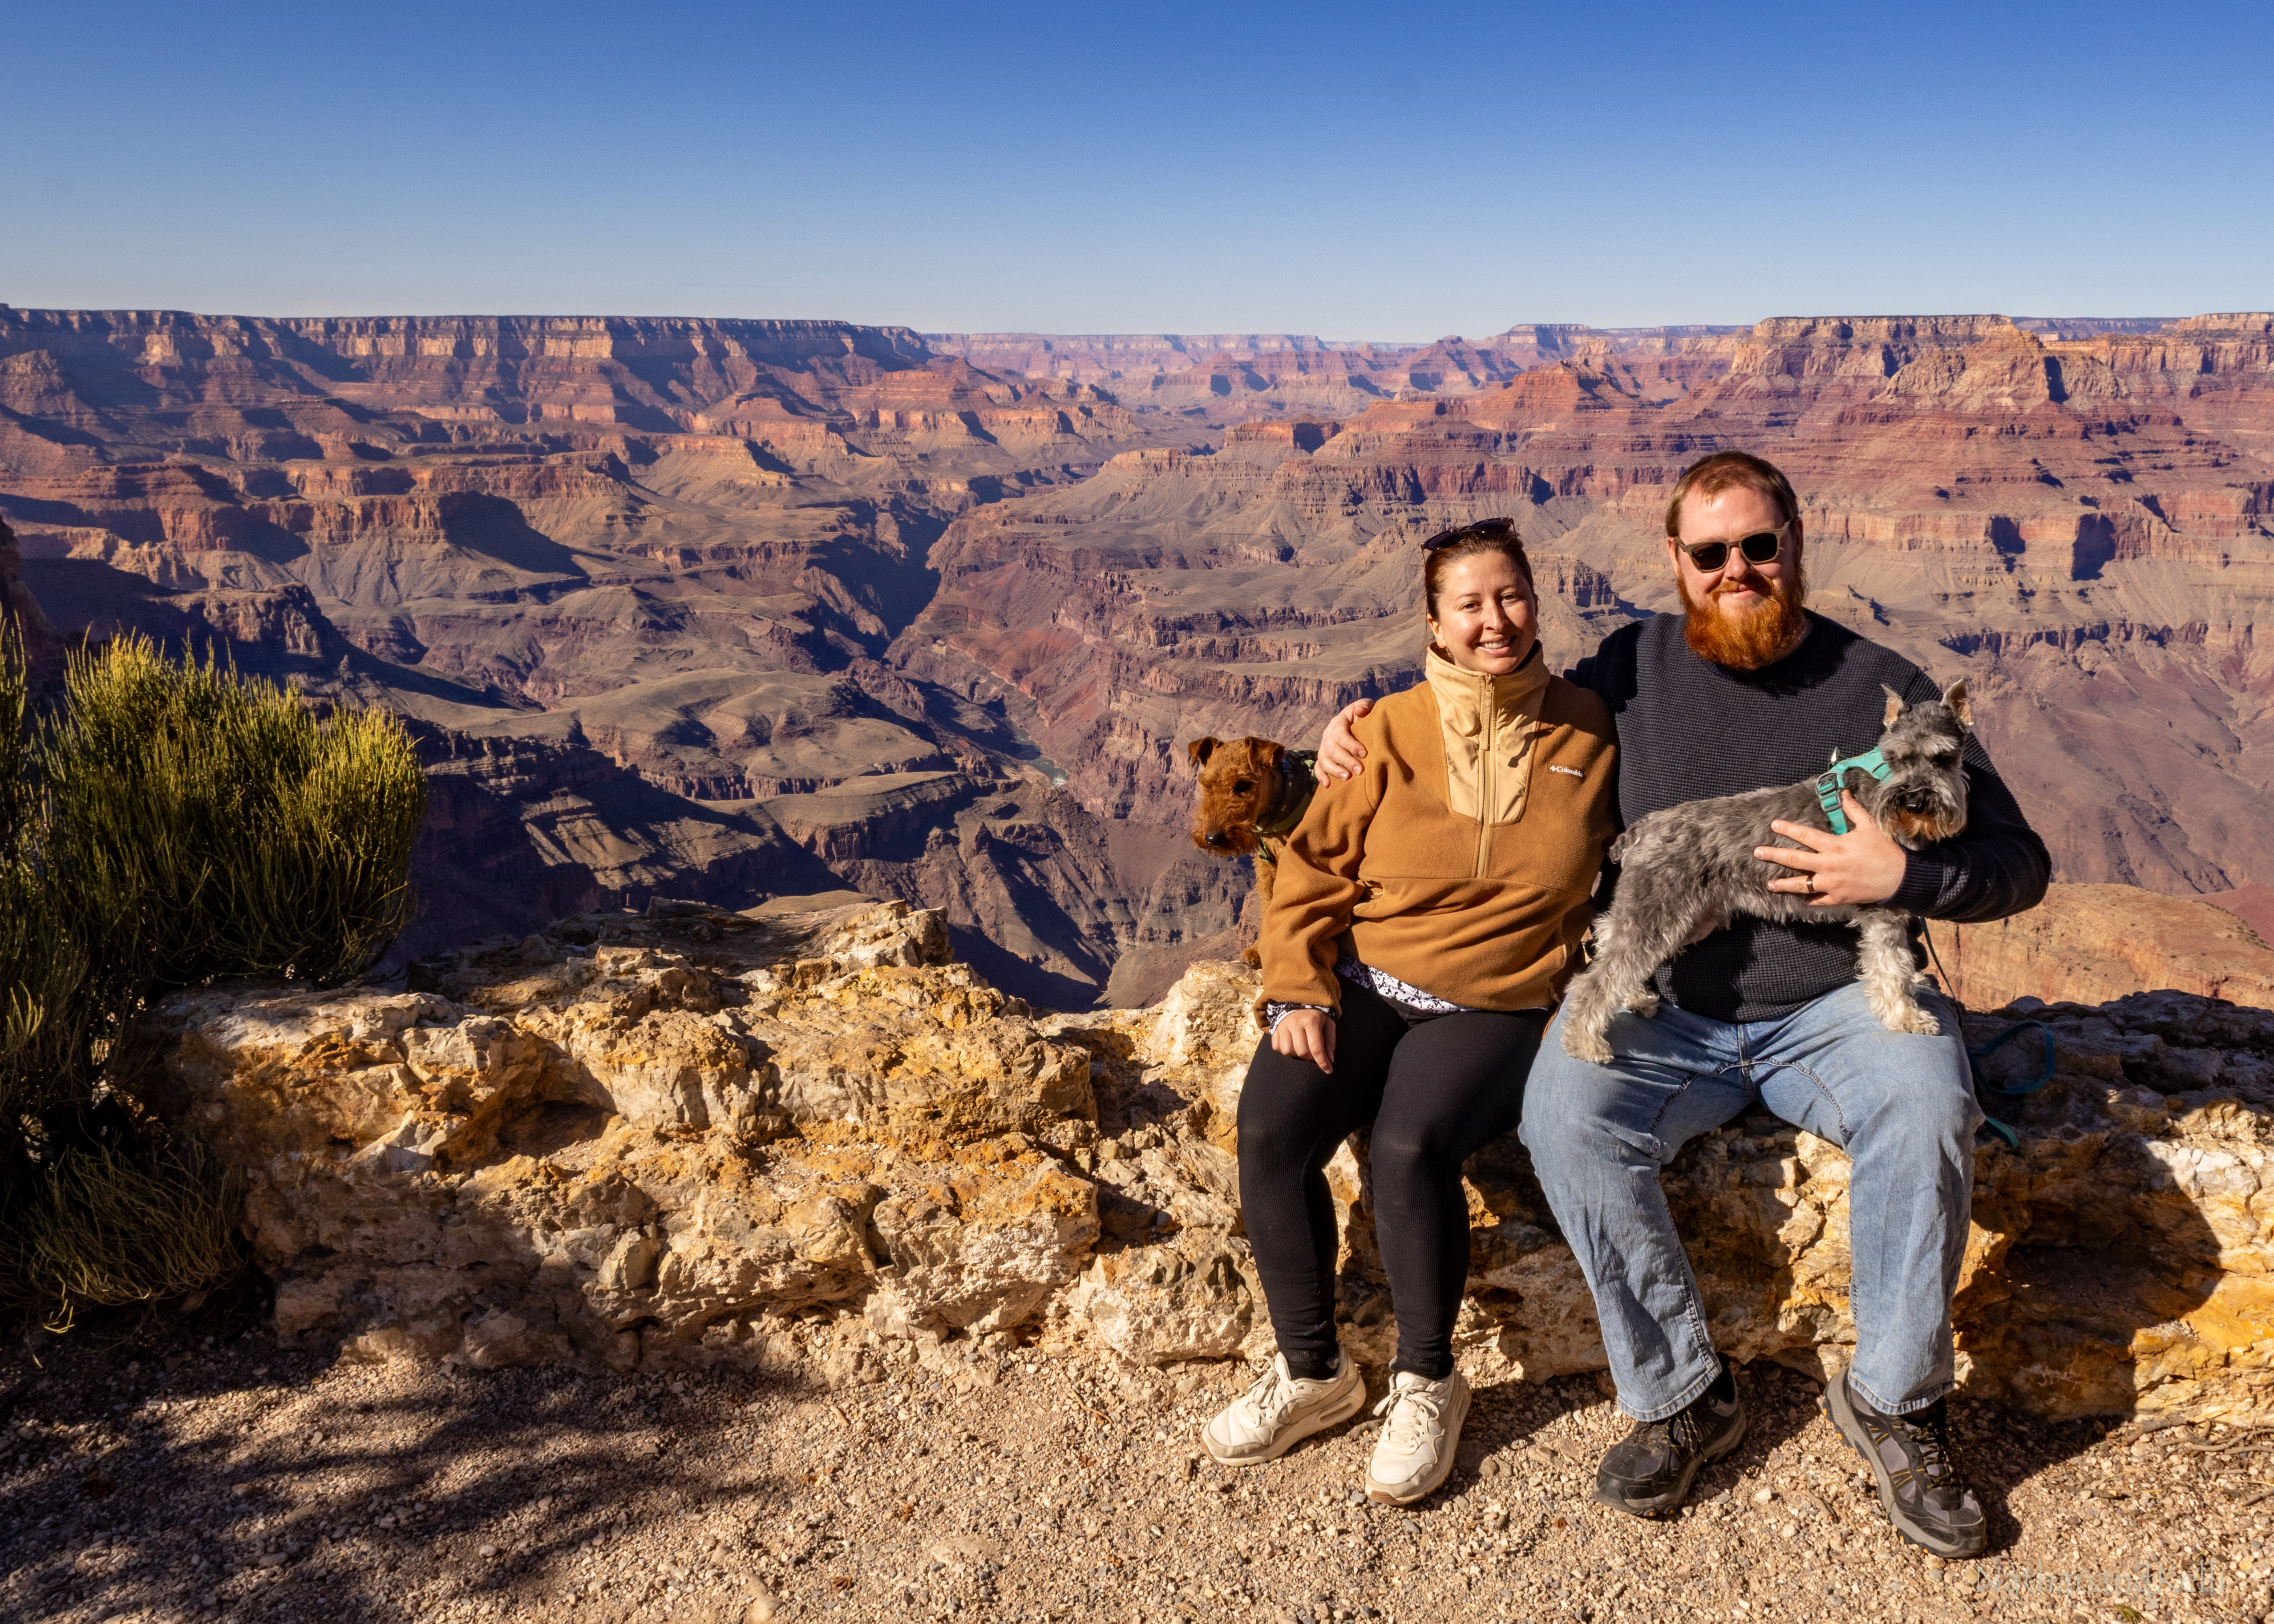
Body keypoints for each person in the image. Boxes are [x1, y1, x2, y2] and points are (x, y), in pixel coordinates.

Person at [1314, 452, 2048, 1558]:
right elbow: (1492, 706)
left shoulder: (1884, 684)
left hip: (1837, 1003)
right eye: (1710, 552)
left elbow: (2019, 864)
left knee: (1926, 1105)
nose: (1735, 568)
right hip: (1670, 1010)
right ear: (1675, 560)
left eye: (1757, 545)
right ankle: (1681, 1394)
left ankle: (1895, 1401)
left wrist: (1903, 877)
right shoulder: (1628, 667)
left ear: (1794, 542)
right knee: (1563, 1115)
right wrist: (1352, 734)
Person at [1202, 519, 1617, 1507]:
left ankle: (1428, 1381)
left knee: (1405, 1145)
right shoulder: (1383, 730)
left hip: (1498, 1001)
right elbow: (1310, 869)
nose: (1494, 620)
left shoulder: (1593, 726)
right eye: (1468, 603)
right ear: (1433, 622)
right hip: (1367, 980)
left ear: (1536, 600)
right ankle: (1313, 1371)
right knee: (1269, 1128)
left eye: (1509, 595)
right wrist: (1298, 986)